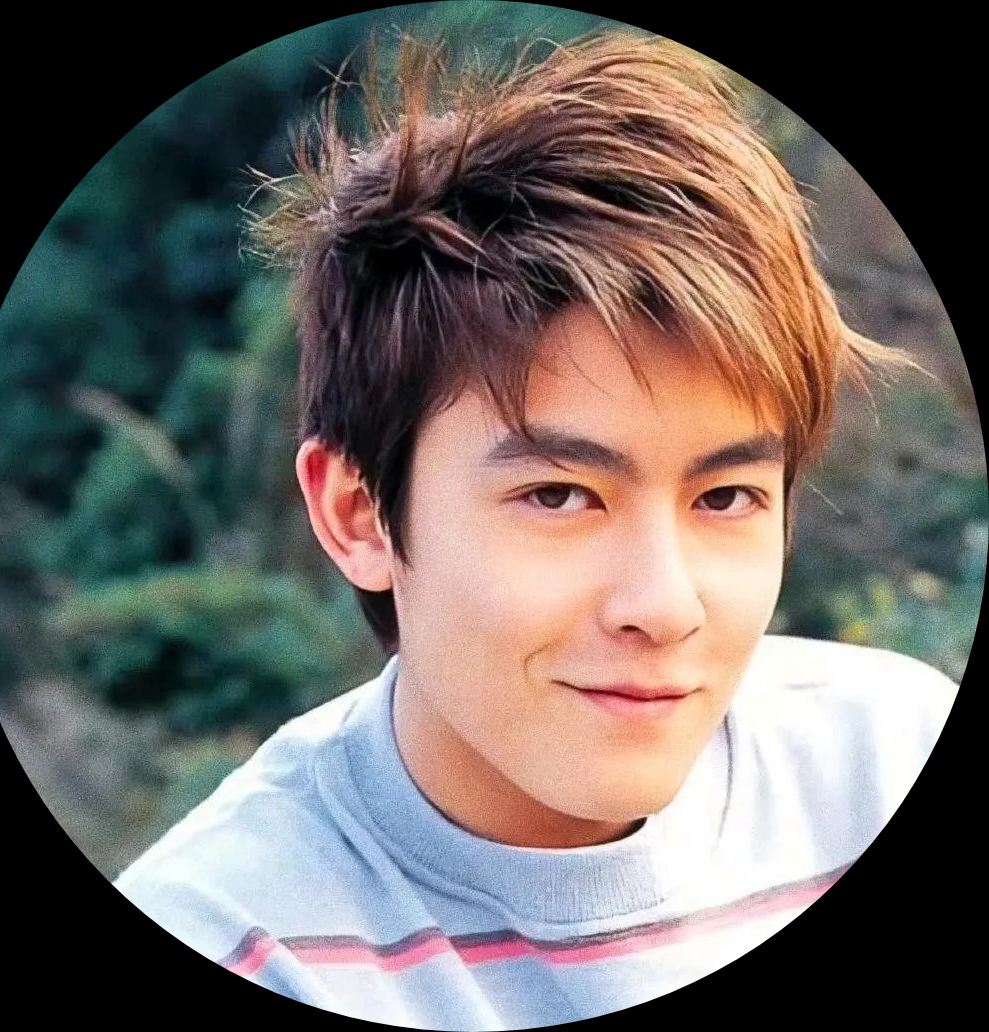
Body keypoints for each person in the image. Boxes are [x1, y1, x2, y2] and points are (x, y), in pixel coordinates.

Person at [115, 29, 957, 1021]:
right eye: (559, 496)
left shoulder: (887, 765)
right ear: (358, 513)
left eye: (725, 497)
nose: (665, 607)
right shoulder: (241, 941)